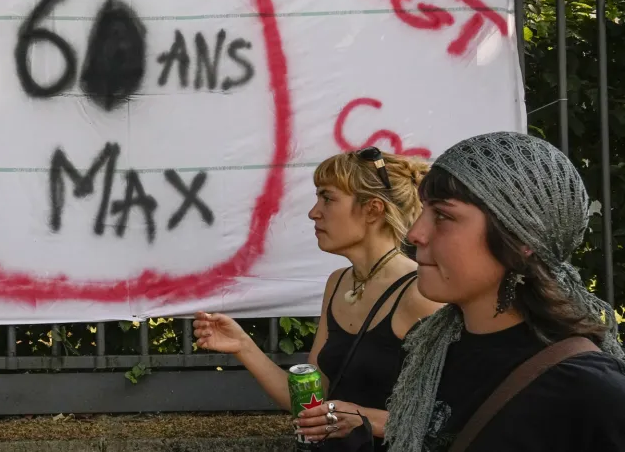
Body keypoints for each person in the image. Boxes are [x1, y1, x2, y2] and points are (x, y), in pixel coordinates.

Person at [384, 131, 625, 452]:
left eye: (443, 215)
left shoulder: (589, 390)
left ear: (523, 238)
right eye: (424, 210)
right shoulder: (430, 349)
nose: (415, 233)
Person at [194, 147, 442, 450]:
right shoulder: (337, 283)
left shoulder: (419, 293)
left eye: (328, 198)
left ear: (373, 210)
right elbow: (314, 400)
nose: (314, 211)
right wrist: (243, 346)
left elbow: (445, 421)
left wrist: (360, 417)